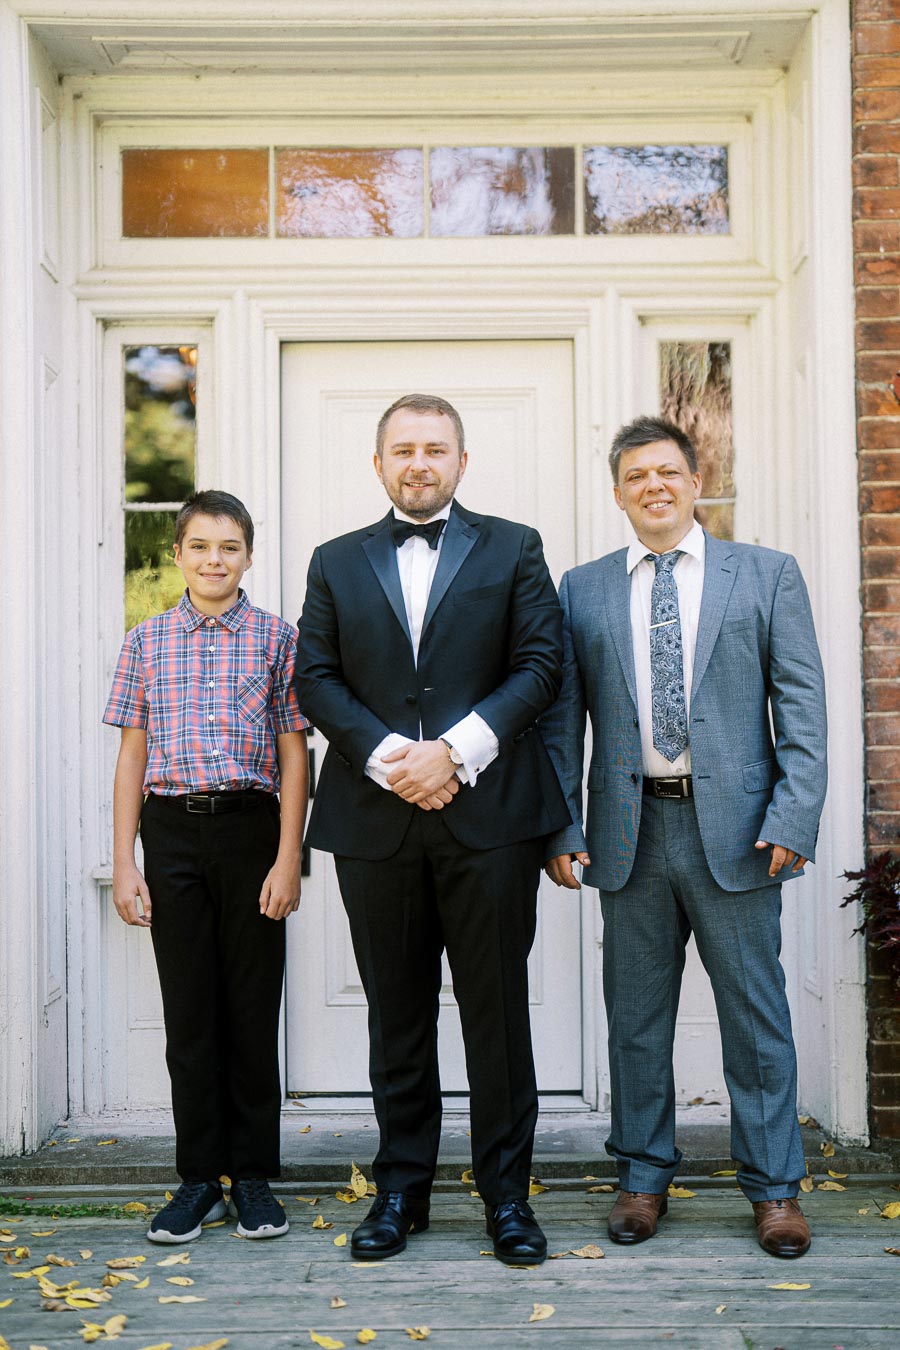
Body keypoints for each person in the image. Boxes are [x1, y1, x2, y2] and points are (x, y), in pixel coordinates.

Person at [540, 415, 827, 1259]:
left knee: (755, 1018)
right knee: (635, 1019)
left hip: (738, 834)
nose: (654, 487)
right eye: (636, 477)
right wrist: (562, 822)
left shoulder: (767, 574)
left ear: (697, 482)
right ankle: (641, 1178)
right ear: (620, 491)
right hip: (629, 833)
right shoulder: (583, 588)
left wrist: (793, 813)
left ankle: (775, 1189)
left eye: (668, 472)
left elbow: (801, 706)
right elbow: (564, 724)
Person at [294, 393, 570, 1265]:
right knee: (397, 1018)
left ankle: (508, 1202)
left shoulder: (515, 547)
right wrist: (389, 758)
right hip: (375, 824)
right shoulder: (335, 561)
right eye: (403, 449)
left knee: (497, 1017)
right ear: (379, 465)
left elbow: (541, 663)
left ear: (461, 461)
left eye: (436, 448)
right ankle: (400, 1193)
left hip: (491, 824)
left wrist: (452, 752)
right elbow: (316, 678)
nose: (420, 462)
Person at [104, 490, 309, 1244]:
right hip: (173, 832)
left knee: (251, 1009)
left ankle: (252, 1176)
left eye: (228, 547)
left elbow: (295, 757)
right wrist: (125, 862)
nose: (214, 560)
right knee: (190, 1012)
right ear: (178, 555)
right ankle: (198, 1180)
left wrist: (289, 859)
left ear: (248, 555)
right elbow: (132, 756)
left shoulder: (277, 640)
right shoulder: (145, 642)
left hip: (251, 830)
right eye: (199, 546)